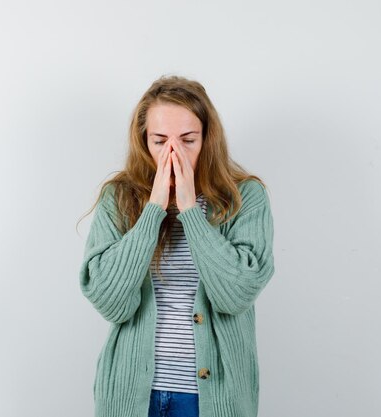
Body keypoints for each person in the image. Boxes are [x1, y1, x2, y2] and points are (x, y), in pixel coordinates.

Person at [78, 75, 275, 417]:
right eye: (159, 141)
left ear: (207, 140)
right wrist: (153, 209)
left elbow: (236, 295)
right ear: (143, 142)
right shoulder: (120, 197)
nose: (173, 153)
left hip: (212, 399)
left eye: (187, 140)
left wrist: (190, 212)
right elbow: (110, 302)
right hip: (132, 396)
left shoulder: (246, 198)